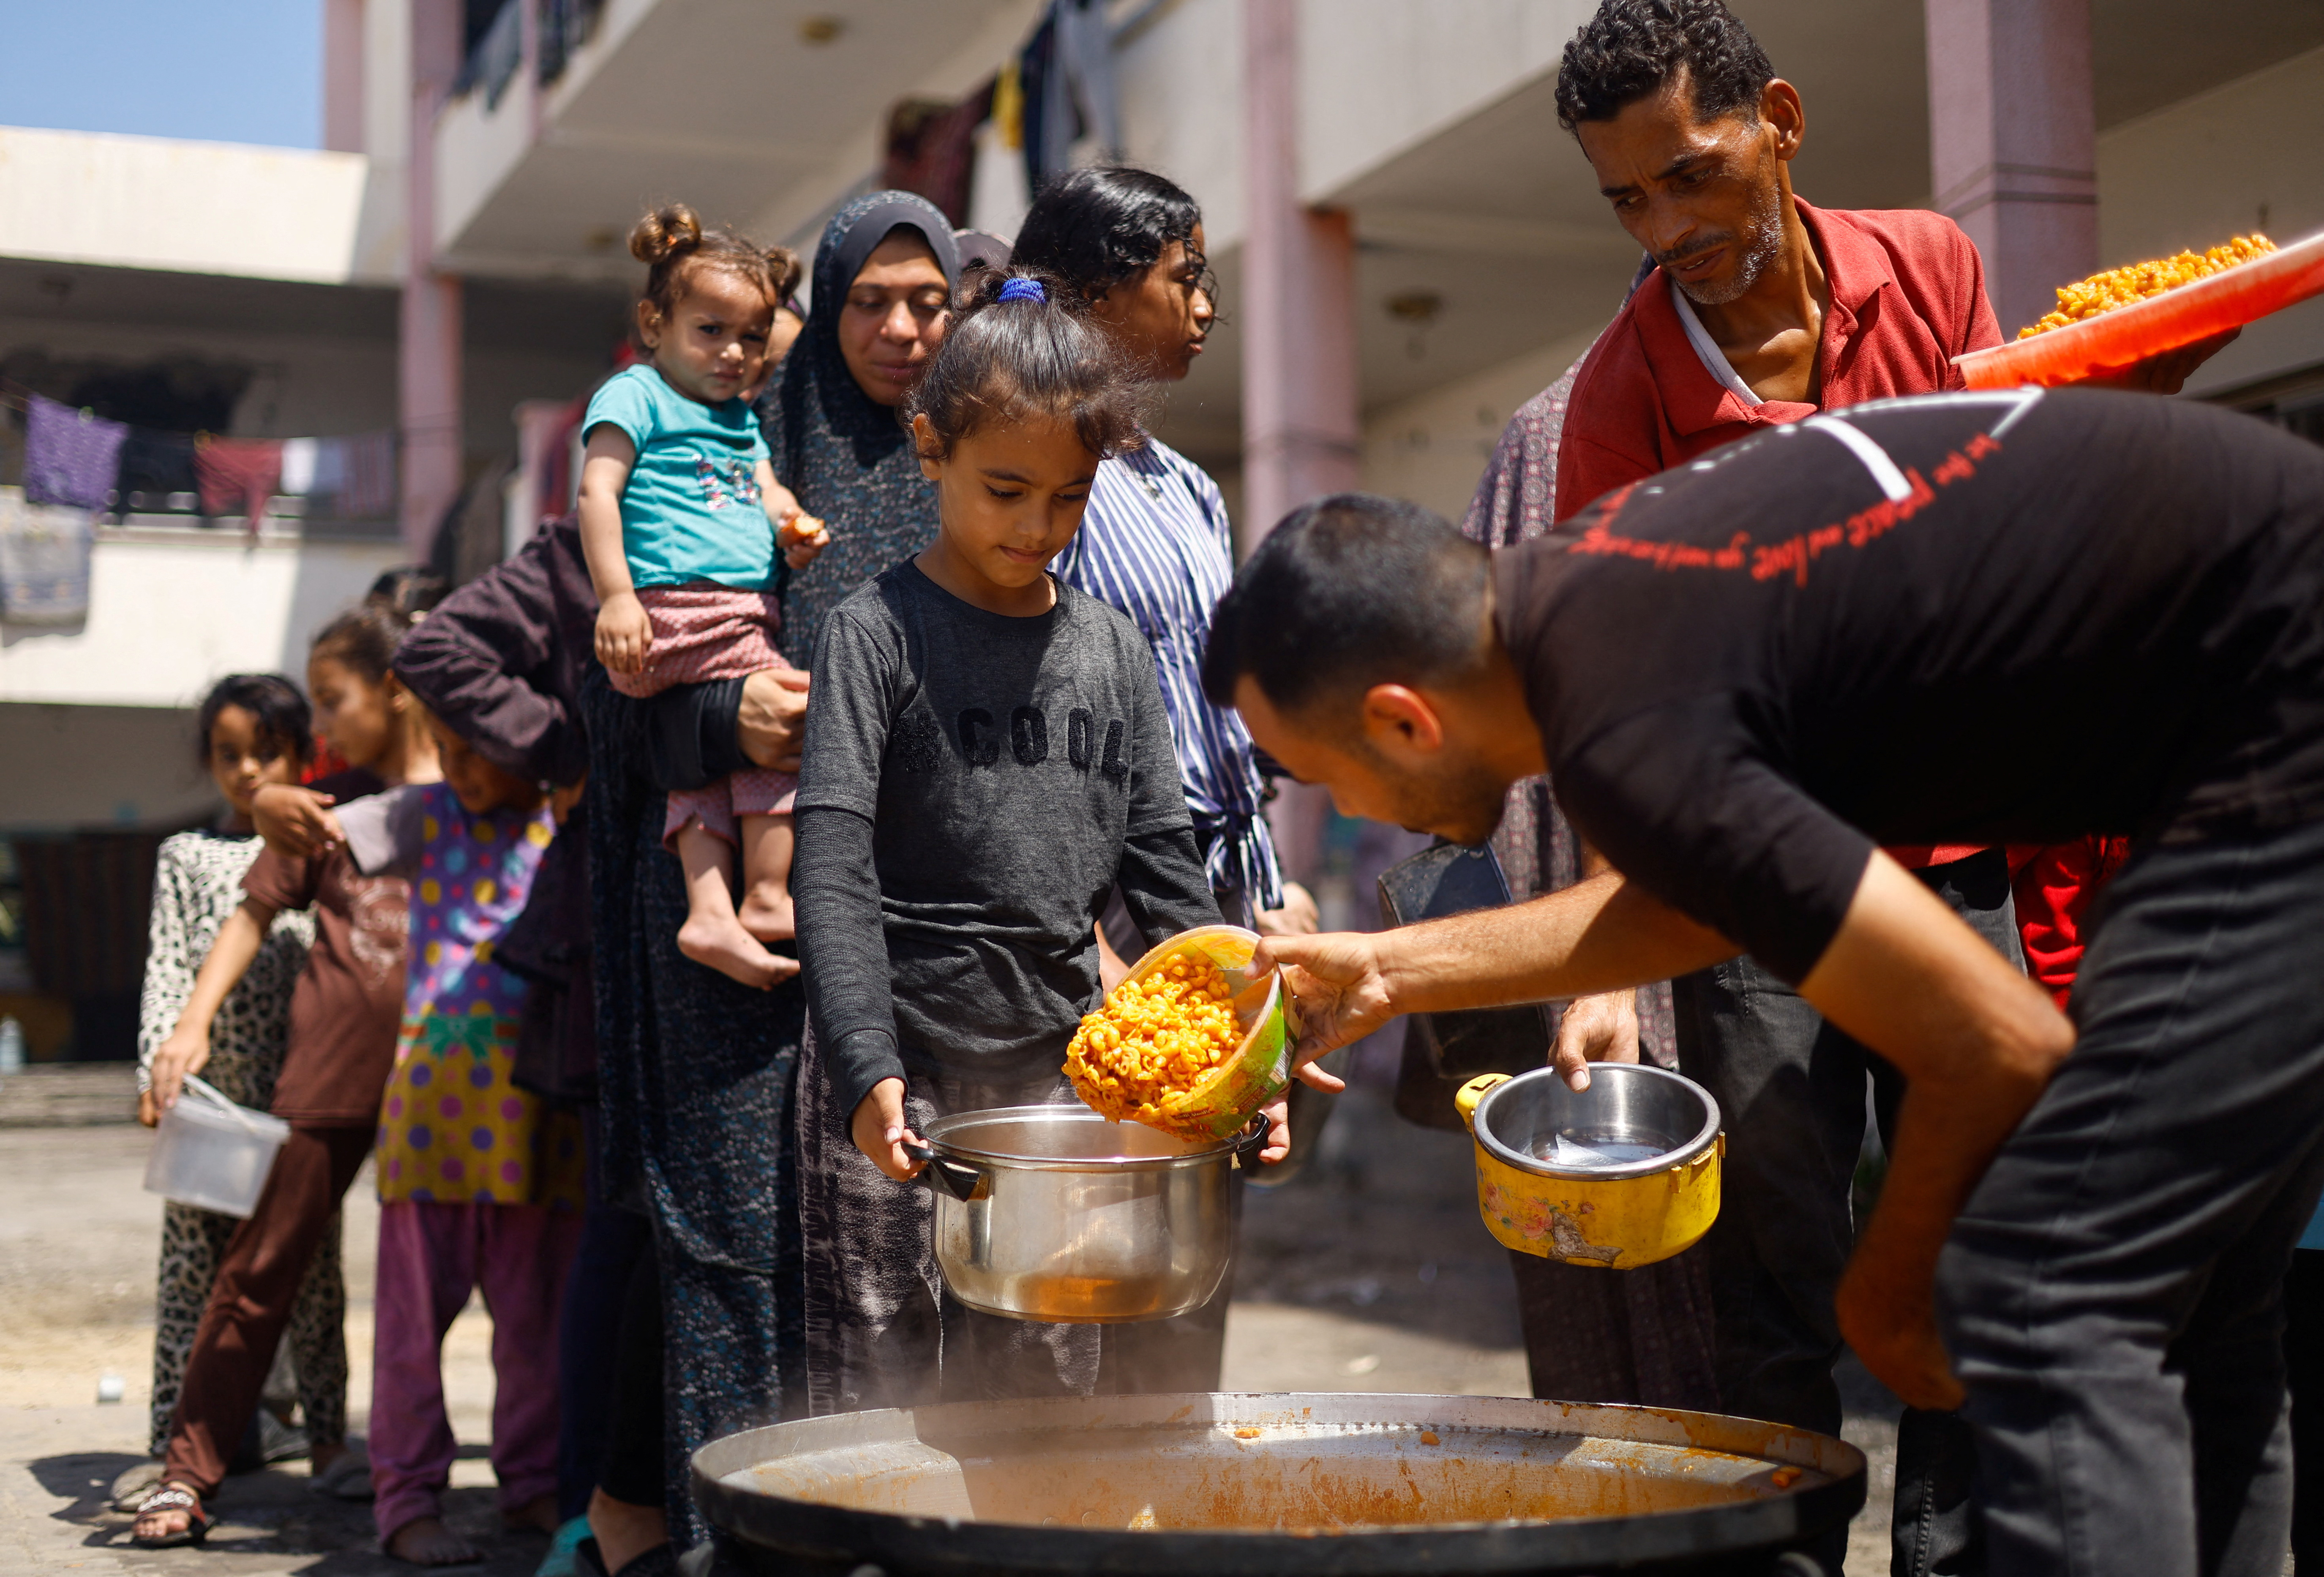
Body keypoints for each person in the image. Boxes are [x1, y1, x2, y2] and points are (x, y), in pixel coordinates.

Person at [1206, 389, 2324, 1577]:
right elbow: (1702, 899)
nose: (1351, 815)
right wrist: (1385, 967)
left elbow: (1993, 1042)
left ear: (1401, 719)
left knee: (2043, 1293)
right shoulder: (1601, 597)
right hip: (2258, 680)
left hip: (2275, 731)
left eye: (1327, 781)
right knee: (2200, 1316)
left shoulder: (1627, 721)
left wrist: (1888, 1288)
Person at [580, 189, 958, 1563]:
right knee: (738, 1255)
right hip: (732, 941)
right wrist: (719, 726)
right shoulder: (727, 426)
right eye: (871, 300)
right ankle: (709, 1544)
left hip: (899, 924)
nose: (905, 329)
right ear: (827, 306)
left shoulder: (957, 458)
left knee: (893, 1262)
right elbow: (605, 693)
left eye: (932, 301)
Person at [791, 268, 1227, 1414]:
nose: (1036, 528)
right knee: (881, 1400)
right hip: (902, 1078)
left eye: (1068, 497)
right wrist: (863, 1066)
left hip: (1062, 1090)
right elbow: (829, 868)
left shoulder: (1114, 649)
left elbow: (1167, 878)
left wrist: (1247, 1050)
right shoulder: (873, 634)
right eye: (1004, 489)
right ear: (928, 448)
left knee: (1045, 1392)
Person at [134, 603, 444, 1548]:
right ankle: (186, 1476)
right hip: (330, 1075)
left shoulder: (481, 791)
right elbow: (248, 917)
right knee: (257, 1273)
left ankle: (430, 1492)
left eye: (330, 700)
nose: (321, 725)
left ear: (394, 692)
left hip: (455, 1089)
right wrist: (189, 1028)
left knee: (429, 1291)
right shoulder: (324, 806)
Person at [328, 705, 585, 1567]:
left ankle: (533, 1486)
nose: (459, 770)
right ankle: (405, 1504)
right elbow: (315, 830)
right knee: (409, 1331)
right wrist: (277, 809)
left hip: (534, 1119)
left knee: (536, 1325)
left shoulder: (565, 814)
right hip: (431, 1120)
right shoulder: (424, 814)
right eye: (444, 751)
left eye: (476, 753)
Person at [581, 204, 829, 991]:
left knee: (704, 770)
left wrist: (789, 523)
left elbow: (764, 489)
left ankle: (709, 907)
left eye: (751, 338)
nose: (734, 353)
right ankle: (764, 893)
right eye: (710, 330)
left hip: (716, 615)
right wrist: (617, 599)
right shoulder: (638, 395)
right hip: (678, 612)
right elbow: (595, 494)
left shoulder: (737, 422)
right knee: (792, 713)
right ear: (654, 323)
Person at [122, 676, 341, 1511]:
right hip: (211, 1101)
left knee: (312, 1273)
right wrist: (159, 1069)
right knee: (191, 1274)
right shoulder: (186, 857)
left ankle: (327, 1440)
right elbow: (169, 970)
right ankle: (166, 1443)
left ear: (301, 753)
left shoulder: (323, 846)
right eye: (228, 755)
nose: (248, 770)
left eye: (267, 752)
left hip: (302, 1100)